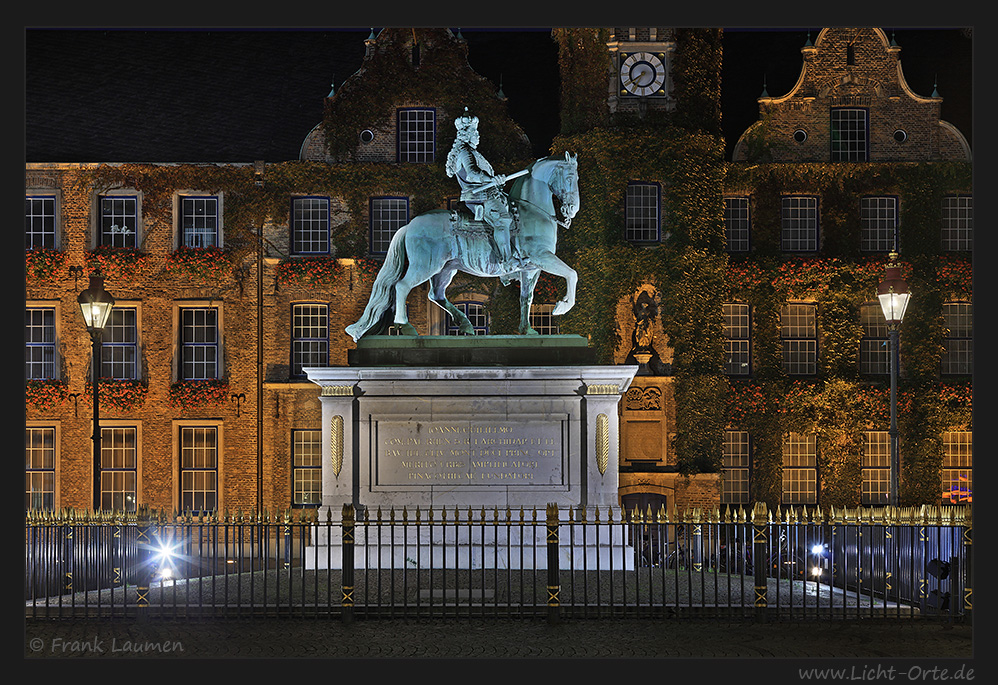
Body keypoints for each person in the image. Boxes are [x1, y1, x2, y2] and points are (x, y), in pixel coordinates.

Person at [445, 109, 515, 269]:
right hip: (480, 197)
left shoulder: (472, 152)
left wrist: (498, 183)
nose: (478, 135)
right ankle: (507, 262)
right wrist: (492, 179)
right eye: (475, 132)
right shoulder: (465, 152)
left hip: (488, 194)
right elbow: (472, 174)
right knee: (502, 220)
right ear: (466, 135)